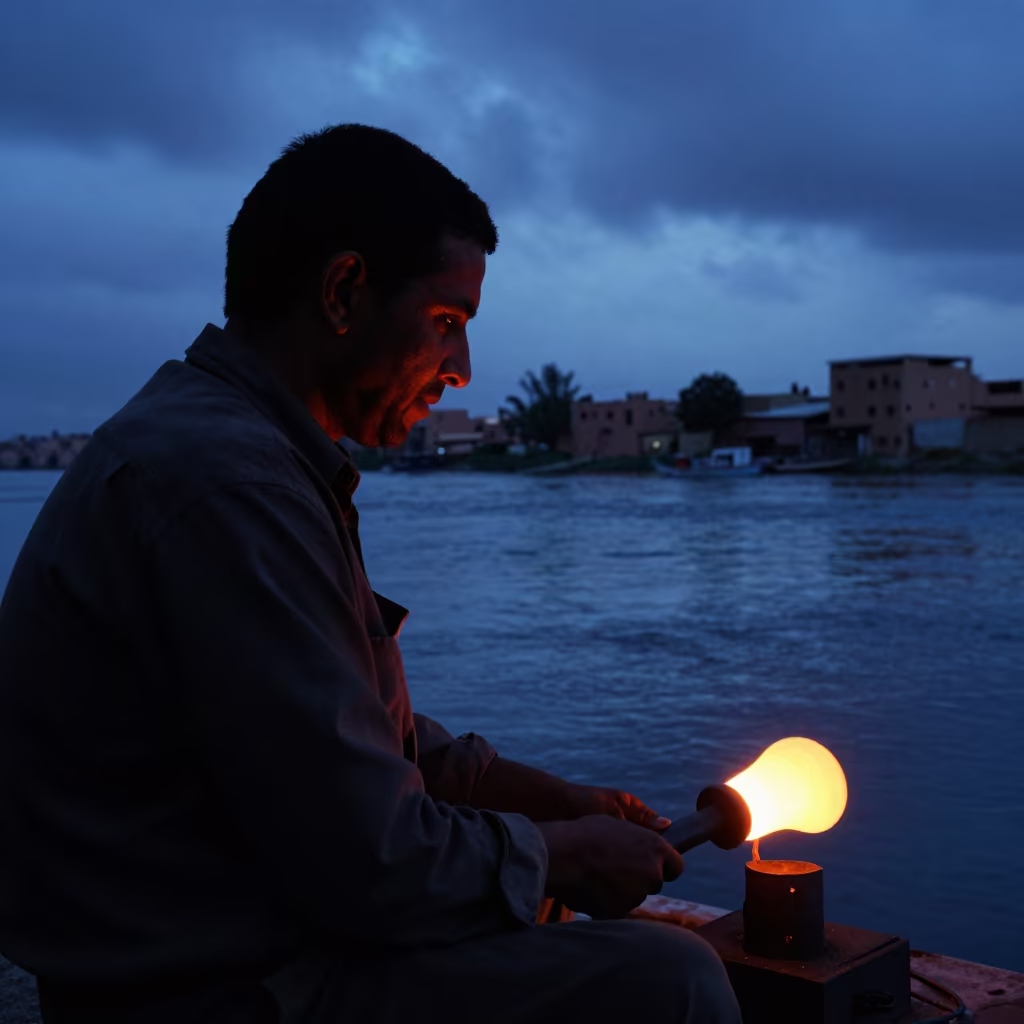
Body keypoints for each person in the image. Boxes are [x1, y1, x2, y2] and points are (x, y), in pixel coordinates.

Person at [0, 124, 740, 1024]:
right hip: (214, 989)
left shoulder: (236, 452)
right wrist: (564, 854)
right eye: (447, 323)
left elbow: (333, 733)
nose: (461, 371)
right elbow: (369, 861)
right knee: (673, 980)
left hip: (250, 945)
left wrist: (551, 801)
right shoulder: (232, 485)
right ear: (344, 292)